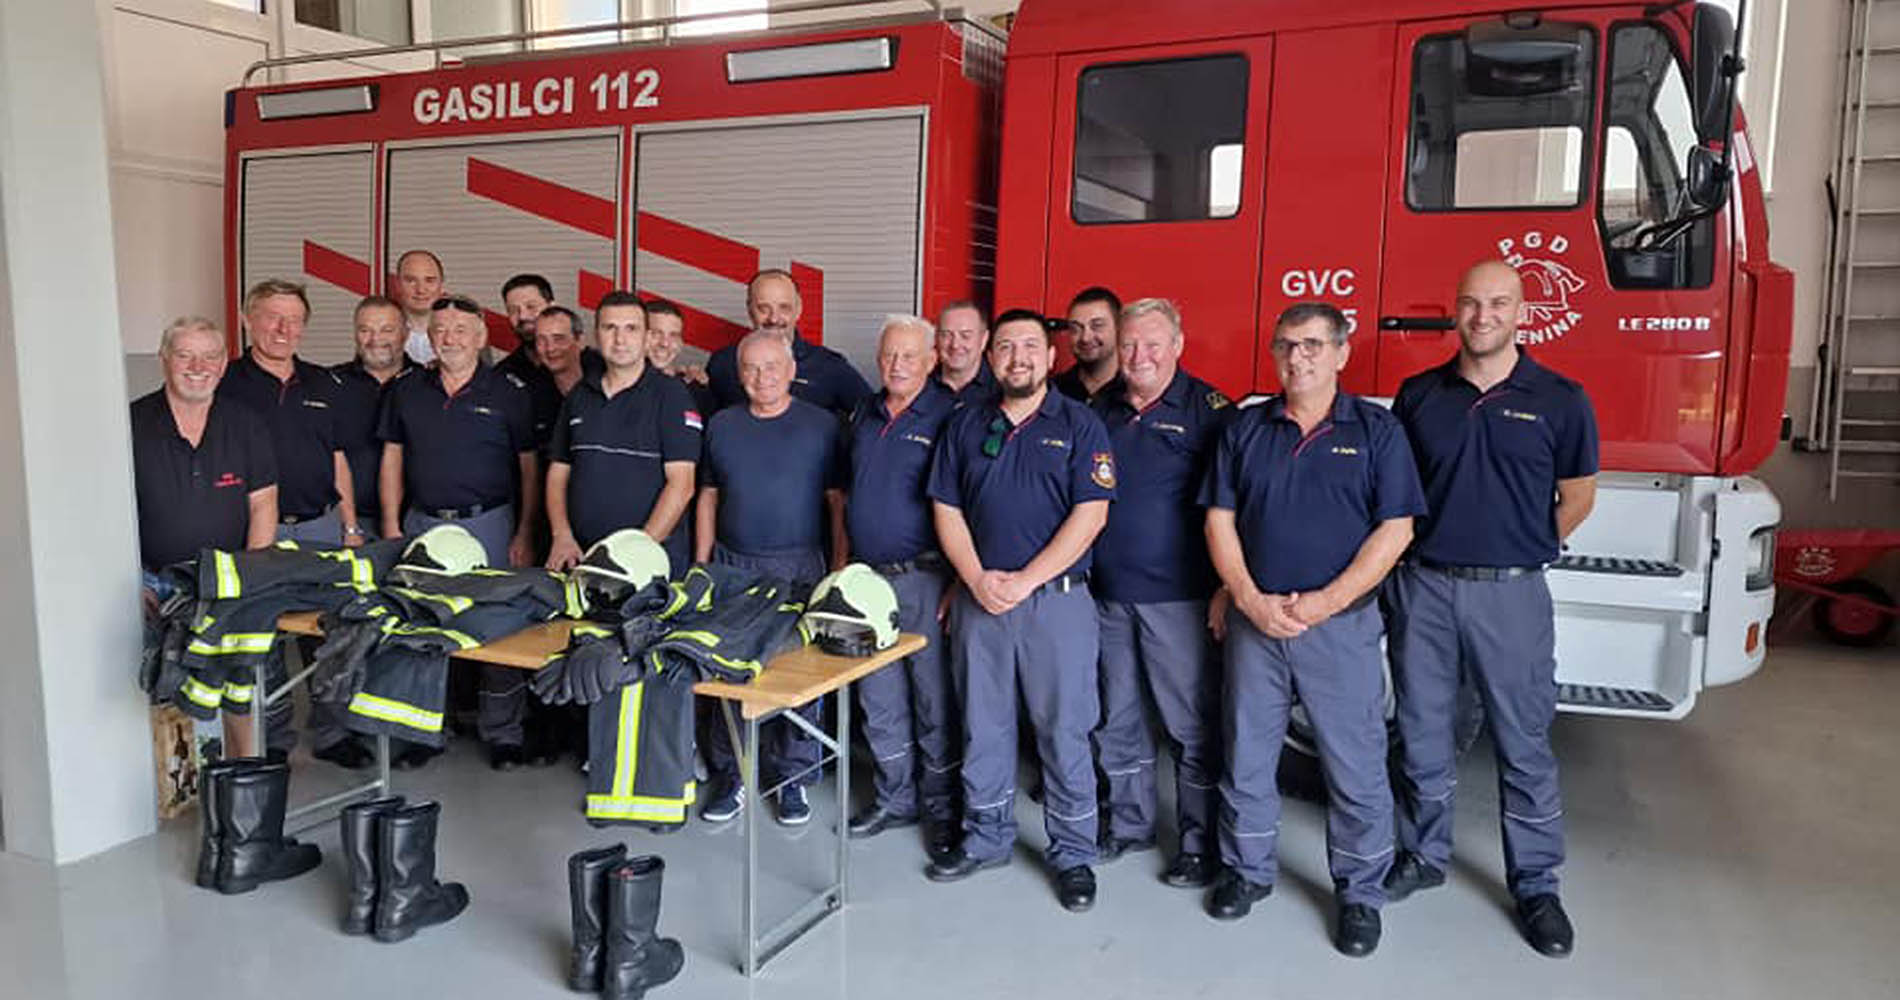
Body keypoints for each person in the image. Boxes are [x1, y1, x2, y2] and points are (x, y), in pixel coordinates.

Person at [1385, 260, 1599, 958]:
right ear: (1455, 310)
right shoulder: (1420, 395)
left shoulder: (1562, 399)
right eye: (1472, 303)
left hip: (1511, 594)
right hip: (1425, 589)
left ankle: (1536, 884)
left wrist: (1518, 547)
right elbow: (1401, 493)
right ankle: (1423, 854)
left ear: (1521, 312)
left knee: (1522, 741)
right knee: (1422, 730)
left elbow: (1578, 497)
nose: (1483, 317)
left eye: (1498, 304)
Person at [1199, 302, 1424, 957]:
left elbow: (1396, 530)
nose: (1298, 358)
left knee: (1355, 765)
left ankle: (1360, 892)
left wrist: (1326, 602)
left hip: (1339, 629)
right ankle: (1246, 871)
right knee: (1247, 755)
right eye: (1286, 345)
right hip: (1257, 625)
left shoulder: (1378, 431)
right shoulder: (1246, 428)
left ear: (1341, 353)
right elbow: (1219, 520)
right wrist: (1248, 597)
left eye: (1313, 345)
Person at [924, 308, 1114, 913]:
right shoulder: (965, 424)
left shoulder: (1080, 425)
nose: (1018, 358)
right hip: (981, 603)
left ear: (1051, 357)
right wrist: (976, 578)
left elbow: (1091, 514)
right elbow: (946, 509)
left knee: (1065, 729)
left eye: (1030, 346)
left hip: (1057, 604)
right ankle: (986, 838)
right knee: (983, 725)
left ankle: (1074, 853)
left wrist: (1028, 580)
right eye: (1006, 347)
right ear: (990, 358)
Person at [1088, 298, 1229, 887]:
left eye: (1152, 344)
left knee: (1190, 725)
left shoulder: (1211, 413)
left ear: (1177, 345)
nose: (1139, 356)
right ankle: (1130, 824)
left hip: (1181, 598)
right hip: (1107, 596)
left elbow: (1232, 509)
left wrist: (1226, 587)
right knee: (1116, 717)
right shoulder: (1099, 409)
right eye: (1129, 344)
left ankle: (1199, 843)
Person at [378, 293, 540, 770]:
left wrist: (525, 532)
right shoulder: (408, 389)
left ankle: (503, 733)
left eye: (461, 330)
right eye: (440, 330)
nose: (449, 338)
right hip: (423, 524)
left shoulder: (508, 390)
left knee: (499, 628)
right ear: (428, 337)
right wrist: (391, 524)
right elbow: (392, 459)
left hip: (489, 523)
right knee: (422, 629)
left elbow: (529, 468)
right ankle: (426, 732)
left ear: (481, 336)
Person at [694, 330, 847, 827]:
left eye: (772, 367)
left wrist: (839, 565)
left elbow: (836, 502)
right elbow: (709, 496)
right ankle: (731, 774)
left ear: (791, 370)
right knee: (728, 670)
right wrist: (703, 564)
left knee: (798, 675)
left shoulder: (822, 425)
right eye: (751, 368)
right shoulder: (722, 425)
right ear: (739, 374)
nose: (762, 378)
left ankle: (792, 778)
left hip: (800, 565)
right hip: (732, 565)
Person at [219, 279, 368, 767]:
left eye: (294, 320)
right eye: (272, 318)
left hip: (320, 527)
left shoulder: (325, 384)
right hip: (255, 532)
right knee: (262, 636)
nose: (284, 329)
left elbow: (338, 459)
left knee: (331, 634)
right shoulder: (226, 383)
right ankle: (274, 738)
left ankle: (332, 733)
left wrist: (350, 527)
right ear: (248, 320)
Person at [840, 315, 960, 857]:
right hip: (868, 582)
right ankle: (895, 798)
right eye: (889, 354)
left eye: (910, 356)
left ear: (932, 360)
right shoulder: (864, 413)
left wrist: (958, 583)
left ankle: (941, 808)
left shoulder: (951, 416)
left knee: (934, 700)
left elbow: (965, 505)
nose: (897, 365)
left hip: (926, 579)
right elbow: (847, 495)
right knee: (879, 698)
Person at [132, 316, 278, 759]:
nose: (198, 367)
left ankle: (240, 776)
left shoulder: (246, 424)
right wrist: (131, 580)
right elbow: (108, 511)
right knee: (159, 691)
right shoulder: (131, 422)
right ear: (164, 360)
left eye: (210, 356)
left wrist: (251, 580)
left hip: (229, 586)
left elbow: (263, 505)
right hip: (154, 586)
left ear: (223, 364)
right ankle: (176, 784)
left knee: (238, 692)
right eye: (185, 355)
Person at [545, 292, 700, 574]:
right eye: (610, 328)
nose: (620, 339)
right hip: (580, 556)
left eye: (631, 328)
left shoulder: (672, 395)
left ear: (647, 338)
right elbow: (558, 473)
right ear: (596, 335)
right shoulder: (580, 395)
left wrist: (637, 553)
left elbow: (682, 485)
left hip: (646, 561)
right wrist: (562, 535)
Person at [704, 269, 871, 415]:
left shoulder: (830, 366)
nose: (774, 318)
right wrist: (694, 386)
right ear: (749, 309)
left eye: (784, 308)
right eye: (763, 308)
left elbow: (875, 418)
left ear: (798, 309)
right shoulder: (722, 364)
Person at [332, 295, 412, 542]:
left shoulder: (427, 384)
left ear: (405, 334)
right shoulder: (330, 384)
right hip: (344, 523)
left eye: (387, 330)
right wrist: (349, 526)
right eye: (365, 330)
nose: (376, 339)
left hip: (413, 523)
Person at [1052, 286, 1124, 404]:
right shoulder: (1052, 392)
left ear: (1119, 328)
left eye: (1097, 326)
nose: (1085, 338)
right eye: (1076, 328)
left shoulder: (1134, 391)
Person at [931, 300, 994, 405]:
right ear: (936, 338)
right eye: (946, 335)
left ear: (984, 339)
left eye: (965, 336)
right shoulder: (919, 385)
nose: (955, 345)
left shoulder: (1002, 390)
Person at [394, 249, 446, 364]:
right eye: (411, 281)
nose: (421, 290)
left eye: (429, 280)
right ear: (397, 285)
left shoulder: (464, 337)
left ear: (442, 285)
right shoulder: (379, 336)